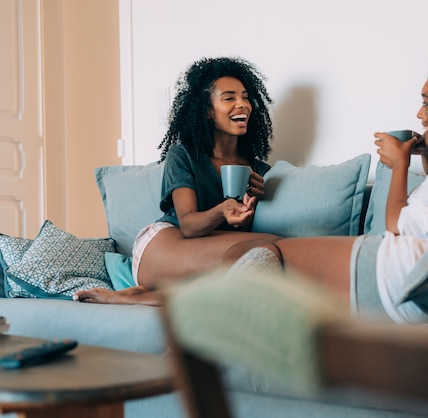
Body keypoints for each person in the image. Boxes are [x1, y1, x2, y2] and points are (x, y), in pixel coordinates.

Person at [223, 39, 428, 323]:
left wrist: (399, 164)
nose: (421, 114)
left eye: (427, 102)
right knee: (270, 264)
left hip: (394, 275)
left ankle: (222, 330)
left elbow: (399, 224)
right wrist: (427, 152)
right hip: (411, 280)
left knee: (267, 252)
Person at [73, 57, 282, 305]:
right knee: (271, 246)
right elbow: (190, 225)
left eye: (246, 97)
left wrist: (250, 207)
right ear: (206, 110)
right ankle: (139, 298)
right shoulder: (184, 155)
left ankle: (142, 297)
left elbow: (232, 236)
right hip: (166, 245)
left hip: (203, 253)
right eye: (229, 98)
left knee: (267, 254)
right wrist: (223, 210)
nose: (242, 105)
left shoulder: (258, 172)